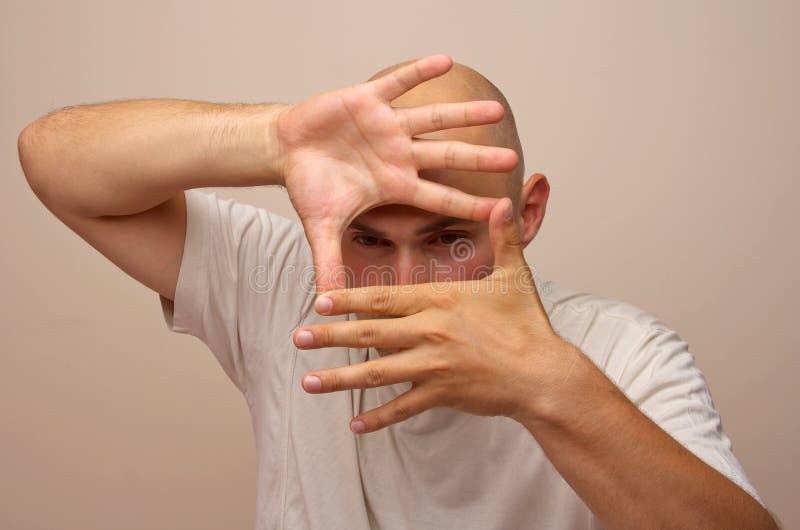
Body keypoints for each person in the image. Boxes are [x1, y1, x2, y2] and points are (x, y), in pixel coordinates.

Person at [17, 55, 778, 529]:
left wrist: (550, 389)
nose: (406, 290)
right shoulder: (292, 283)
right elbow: (54, 162)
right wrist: (275, 140)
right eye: (370, 240)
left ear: (528, 212)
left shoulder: (624, 351)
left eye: (449, 240)